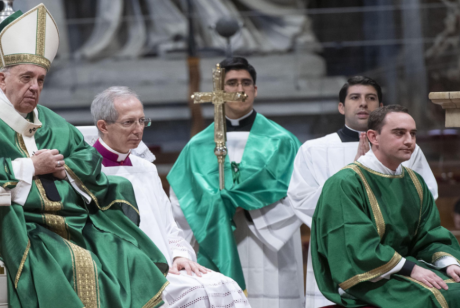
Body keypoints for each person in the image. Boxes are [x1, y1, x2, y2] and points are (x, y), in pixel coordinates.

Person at [0, 5, 169, 308]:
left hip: (65, 221)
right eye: (26, 77)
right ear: (2, 79)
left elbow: (86, 156)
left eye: (40, 80)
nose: (34, 87)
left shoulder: (48, 119)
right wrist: (29, 166)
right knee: (77, 264)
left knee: (129, 256)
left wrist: (64, 169)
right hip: (12, 225)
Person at [88, 86, 251, 308]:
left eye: (142, 121)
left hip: (167, 265)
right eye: (129, 122)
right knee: (196, 294)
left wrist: (179, 255)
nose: (138, 130)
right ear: (103, 126)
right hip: (123, 270)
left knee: (226, 285)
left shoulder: (145, 168)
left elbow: (168, 225)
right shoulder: (88, 172)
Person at [287, 76, 438, 308]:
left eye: (371, 98)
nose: (363, 104)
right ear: (341, 106)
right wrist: (356, 177)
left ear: (381, 107)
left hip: (395, 252)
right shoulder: (313, 149)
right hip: (339, 249)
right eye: (355, 97)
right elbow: (300, 198)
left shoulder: (409, 147)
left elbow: (423, 194)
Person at [168, 57, 305, 307]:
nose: (239, 89)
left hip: (269, 244)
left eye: (246, 82)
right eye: (231, 83)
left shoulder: (282, 141)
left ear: (255, 89)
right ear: (218, 90)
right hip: (214, 239)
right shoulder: (196, 146)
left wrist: (249, 206)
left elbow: (300, 194)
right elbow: (180, 200)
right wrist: (212, 211)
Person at [311, 105, 460, 307]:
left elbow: (429, 234)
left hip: (407, 267)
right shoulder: (345, 183)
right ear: (373, 137)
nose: (409, 141)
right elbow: (355, 246)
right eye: (399, 133)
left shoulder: (414, 182)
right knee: (439, 297)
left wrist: (448, 263)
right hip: (368, 276)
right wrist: (411, 269)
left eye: (413, 134)